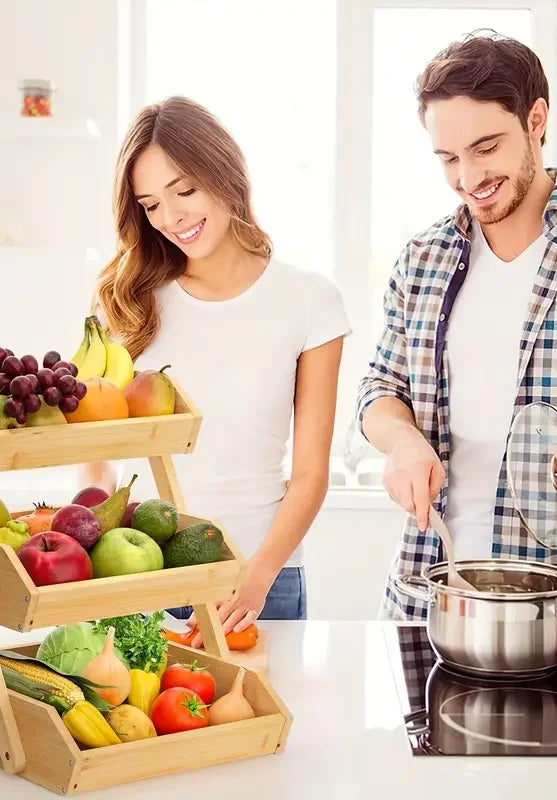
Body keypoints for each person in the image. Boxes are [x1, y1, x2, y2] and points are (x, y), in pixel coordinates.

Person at [357, 33, 557, 619]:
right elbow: (381, 390)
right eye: (448, 158)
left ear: (536, 119)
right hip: (433, 589)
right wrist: (403, 442)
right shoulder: (422, 258)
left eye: (486, 148)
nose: (467, 177)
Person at [80, 97, 351, 642]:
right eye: (151, 204)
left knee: (261, 725)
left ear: (224, 173)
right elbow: (95, 457)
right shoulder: (126, 303)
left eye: (184, 191)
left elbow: (310, 475)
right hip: (141, 574)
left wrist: (256, 577)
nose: (172, 217)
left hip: (261, 581)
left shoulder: (308, 300)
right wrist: (89, 553)